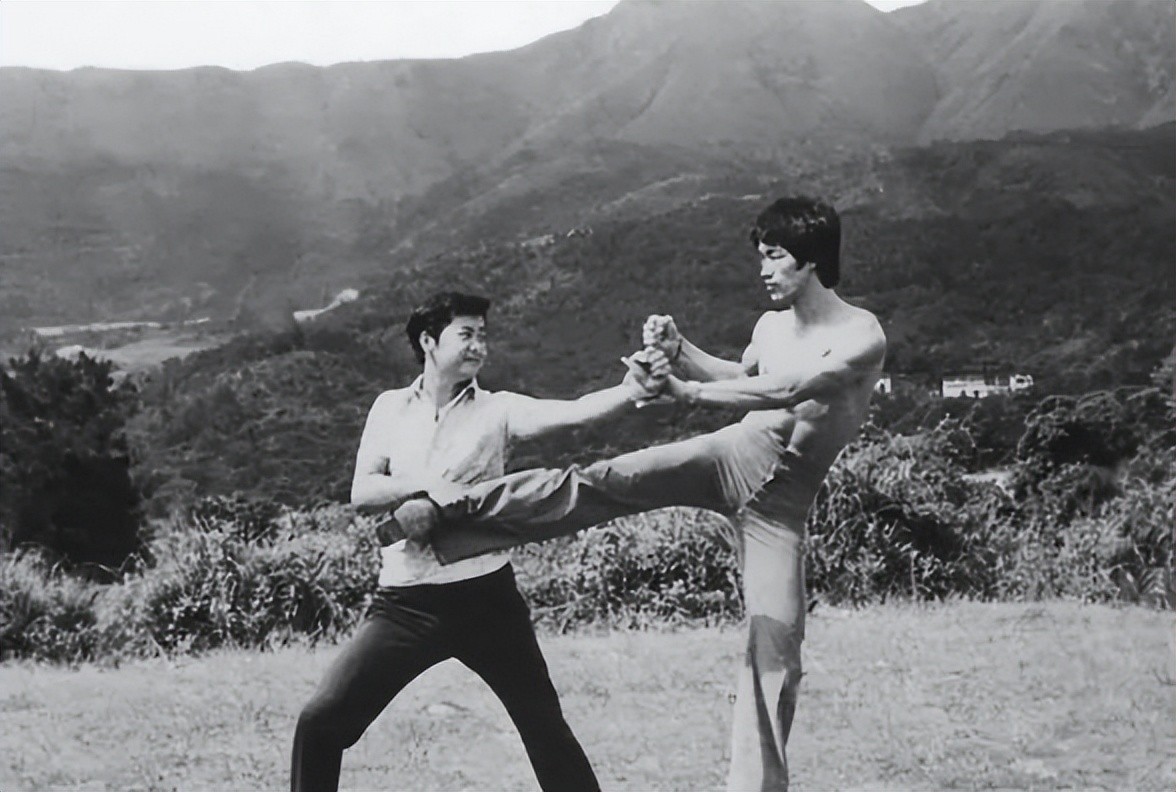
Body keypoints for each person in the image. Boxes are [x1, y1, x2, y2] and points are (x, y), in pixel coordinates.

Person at [392, 197, 887, 792]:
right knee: (602, 481)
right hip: (732, 455)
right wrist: (682, 350)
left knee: (775, 646)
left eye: (775, 256)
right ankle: (447, 513)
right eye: (760, 256)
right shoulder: (770, 326)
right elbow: (743, 378)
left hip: (779, 510)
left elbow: (791, 389)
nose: (763, 270)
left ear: (810, 258)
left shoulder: (861, 335)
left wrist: (682, 391)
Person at [290, 291, 661, 792]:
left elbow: (574, 412)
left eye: (483, 335)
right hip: (407, 604)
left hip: (489, 599)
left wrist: (630, 390)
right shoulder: (389, 408)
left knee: (544, 728)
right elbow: (363, 491)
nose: (478, 346)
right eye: (466, 334)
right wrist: (425, 489)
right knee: (320, 721)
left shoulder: (497, 410)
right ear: (428, 341)